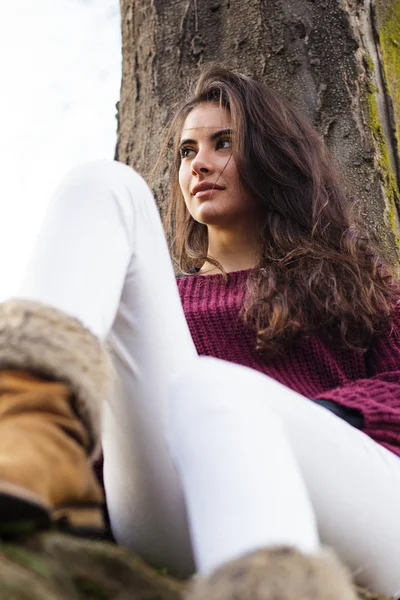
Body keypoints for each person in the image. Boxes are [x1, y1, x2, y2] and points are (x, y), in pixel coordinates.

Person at [0, 64, 399, 600]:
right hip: (186, 507)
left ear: (272, 157)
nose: (199, 165)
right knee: (104, 183)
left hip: (361, 505)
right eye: (187, 152)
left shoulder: (356, 279)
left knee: (210, 388)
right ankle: (23, 433)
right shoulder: (158, 306)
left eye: (223, 144)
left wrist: (291, 424)